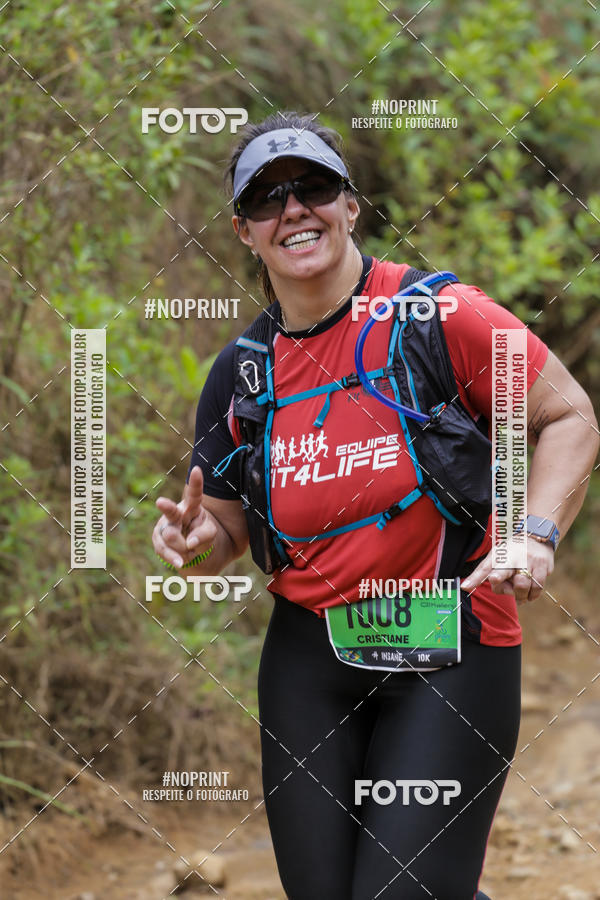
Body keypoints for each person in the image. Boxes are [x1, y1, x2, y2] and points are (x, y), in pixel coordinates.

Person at [152, 112, 599, 899]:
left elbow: (569, 416)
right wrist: (197, 539)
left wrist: (534, 533)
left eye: (313, 187)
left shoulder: (439, 317)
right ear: (244, 232)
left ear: (350, 205)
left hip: (450, 647)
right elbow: (223, 526)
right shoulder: (242, 373)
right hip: (307, 663)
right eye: (266, 198)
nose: (293, 209)